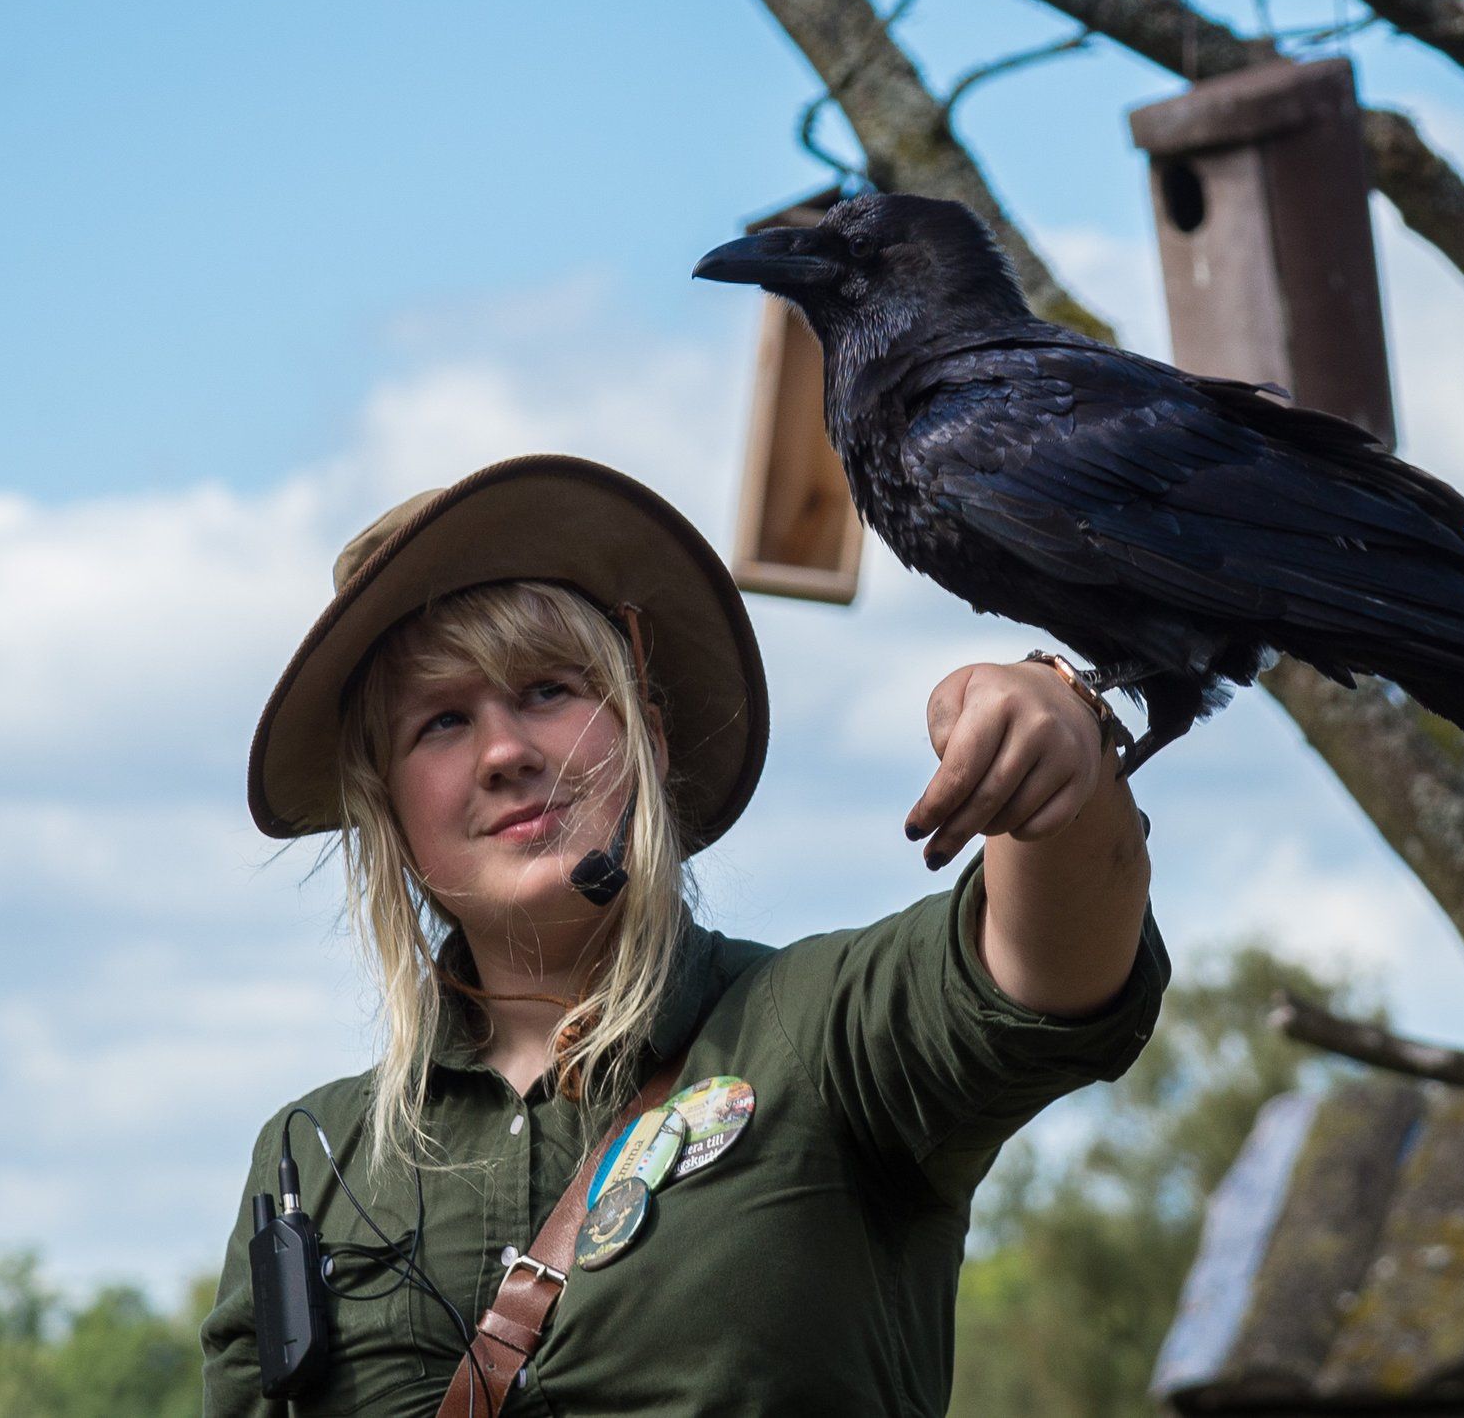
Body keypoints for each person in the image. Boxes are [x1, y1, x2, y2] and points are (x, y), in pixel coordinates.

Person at [200, 453, 1166, 1417]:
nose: (506, 752)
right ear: (393, 822)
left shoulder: (818, 1029)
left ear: (650, 744)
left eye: (547, 691)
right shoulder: (317, 1155)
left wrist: (1058, 733)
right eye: (442, 722)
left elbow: (1044, 971)